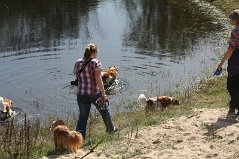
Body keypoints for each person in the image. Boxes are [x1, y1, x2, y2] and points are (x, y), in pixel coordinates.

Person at [73, 43, 117, 139]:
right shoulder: (96, 62)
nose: (97, 54)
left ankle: (79, 139)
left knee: (83, 118)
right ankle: (111, 130)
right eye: (96, 52)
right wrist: (104, 95)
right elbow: (99, 80)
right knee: (104, 111)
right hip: (94, 94)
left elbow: (77, 76)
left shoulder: (77, 62)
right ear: (94, 52)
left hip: (81, 94)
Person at [217, 9, 239, 115]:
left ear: (236, 20)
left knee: (231, 85)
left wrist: (221, 63)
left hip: (236, 59)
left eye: (232, 19)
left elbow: (231, 49)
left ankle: (235, 105)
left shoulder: (235, 31)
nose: (231, 21)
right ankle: (232, 106)